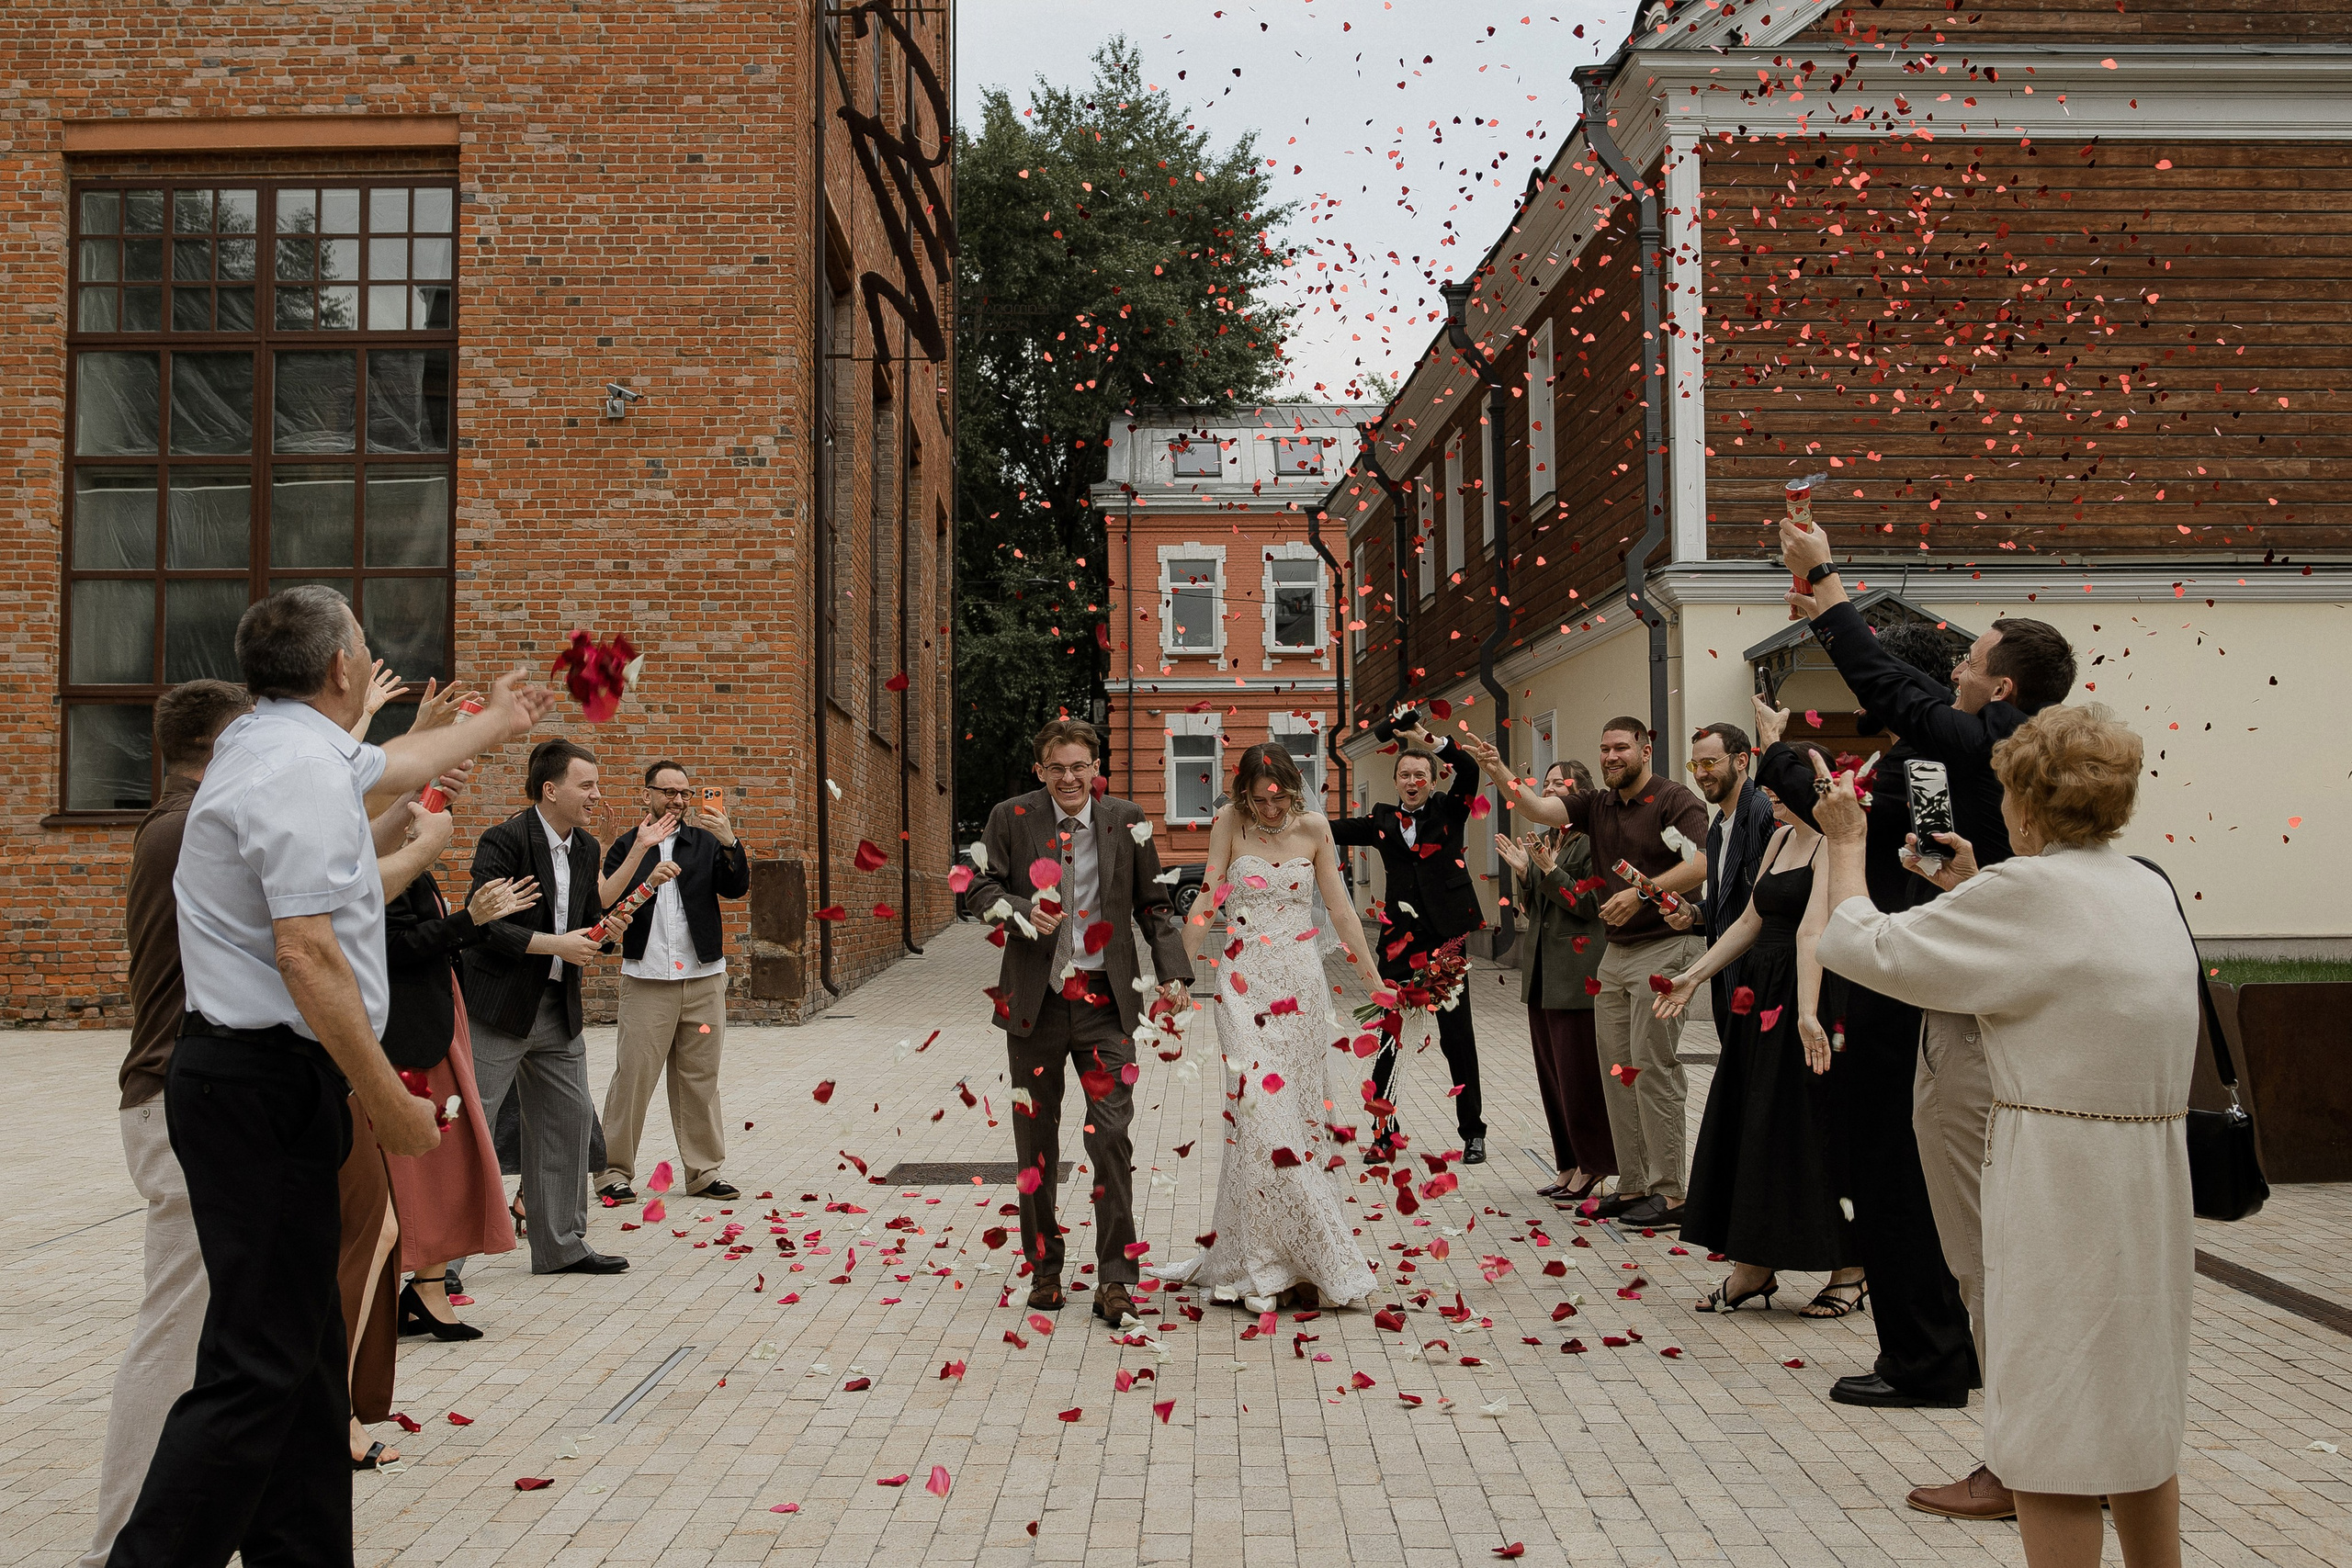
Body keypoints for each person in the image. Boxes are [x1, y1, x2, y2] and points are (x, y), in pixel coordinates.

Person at [107, 586, 550, 1568]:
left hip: (261, 1083)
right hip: (258, 1083)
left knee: (305, 1360)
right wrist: (389, 1103)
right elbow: (306, 956)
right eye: (363, 644)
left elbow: (397, 761)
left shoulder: (279, 746)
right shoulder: (295, 771)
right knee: (254, 1369)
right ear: (344, 669)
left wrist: (497, 721)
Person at [1810, 712, 2193, 1568]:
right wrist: (1971, 889)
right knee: (2136, 1403)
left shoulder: (2028, 894)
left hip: (2061, 1176)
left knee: (2050, 1420)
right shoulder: (2145, 884)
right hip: (2149, 1176)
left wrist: (1844, 841)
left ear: (2025, 800)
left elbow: (1860, 944)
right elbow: (2058, 964)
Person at [1775, 518, 2075, 1518]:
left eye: (1974, 658)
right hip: (1958, 973)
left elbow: (1893, 693)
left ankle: (1929, 1356)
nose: (1956, 667)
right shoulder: (1982, 746)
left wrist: (1821, 586)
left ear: (2002, 692)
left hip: (1939, 993)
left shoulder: (1989, 740)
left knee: (1902, 1166)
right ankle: (1940, 1348)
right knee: (1925, 1179)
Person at [1747, 622, 1983, 1421]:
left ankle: (1925, 1356)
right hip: (1929, 981)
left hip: (1901, 989)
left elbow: (1854, 821)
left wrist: (1775, 748)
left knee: (1893, 1180)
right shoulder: (1958, 750)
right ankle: (1949, 1343)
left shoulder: (1927, 761)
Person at [82, 680, 250, 1568]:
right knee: (177, 1327)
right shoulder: (190, 830)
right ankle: (121, 1540)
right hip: (175, 1102)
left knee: (217, 1329)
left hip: (185, 1099)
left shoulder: (189, 821)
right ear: (222, 745)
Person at [963, 718, 1193, 1329]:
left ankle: (1116, 1278)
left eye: (1079, 766)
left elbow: (1153, 906)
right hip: (1034, 1003)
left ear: (1097, 768)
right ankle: (1045, 1268)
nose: (1069, 777)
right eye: (1056, 767)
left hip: (1105, 1003)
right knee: (1035, 1144)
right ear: (1041, 770)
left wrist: (1174, 973)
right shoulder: (1010, 817)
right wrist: (1016, 907)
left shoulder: (1126, 819)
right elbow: (974, 887)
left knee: (1111, 1135)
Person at [1148, 744, 1386, 1312]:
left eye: (1277, 800)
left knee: (1295, 1123)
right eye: (1259, 801)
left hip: (1300, 987)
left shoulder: (1314, 829)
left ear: (1291, 789)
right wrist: (1176, 976)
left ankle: (1295, 1258)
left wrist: (1375, 981)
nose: (1269, 812)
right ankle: (1266, 1262)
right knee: (1259, 1112)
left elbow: (1342, 910)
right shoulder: (1230, 821)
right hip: (1243, 981)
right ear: (1245, 794)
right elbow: (1209, 896)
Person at [1467, 717, 1709, 1228]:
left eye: (1622, 746)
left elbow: (1702, 863)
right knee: (1617, 1072)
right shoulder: (1596, 804)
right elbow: (1537, 807)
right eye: (1604, 748)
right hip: (1616, 955)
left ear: (1646, 748)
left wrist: (1642, 891)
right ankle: (1633, 1184)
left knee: (1652, 1068)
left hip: (1665, 945)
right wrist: (1498, 769)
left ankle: (1671, 1194)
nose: (1611, 756)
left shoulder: (1675, 799)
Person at [1654, 739, 1865, 1318]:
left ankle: (1849, 1268)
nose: (1767, 802)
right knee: (1755, 1125)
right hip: (1762, 996)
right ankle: (1755, 1263)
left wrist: (1805, 1014)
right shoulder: (1777, 839)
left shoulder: (1832, 844)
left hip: (1812, 991)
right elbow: (1750, 920)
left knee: (1812, 1126)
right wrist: (1693, 977)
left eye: (1774, 792)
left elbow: (1811, 932)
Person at [459, 738, 642, 1277]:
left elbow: (585, 922)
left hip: (558, 1010)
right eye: (586, 785)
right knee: (475, 1128)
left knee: (565, 1124)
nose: (596, 795)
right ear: (549, 789)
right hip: (498, 1008)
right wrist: (556, 944)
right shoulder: (504, 840)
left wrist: (606, 932)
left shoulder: (585, 849)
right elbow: (487, 926)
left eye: (596, 784)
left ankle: (562, 1247)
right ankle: (442, 1265)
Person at [379, 744, 535, 1342]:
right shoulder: (381, 865)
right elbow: (393, 950)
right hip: (407, 1037)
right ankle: (415, 1287)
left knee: (449, 1161)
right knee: (428, 1165)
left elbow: (429, 941)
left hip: (436, 1023)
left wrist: (470, 922)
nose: (438, 806)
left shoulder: (410, 865)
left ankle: (425, 1287)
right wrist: (468, 920)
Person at [1329, 710, 1489, 1163]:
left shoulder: (1450, 809)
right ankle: (1383, 1135)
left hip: (1446, 943)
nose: (1413, 780)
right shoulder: (1381, 820)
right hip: (1399, 945)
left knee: (1458, 1037)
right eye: (1405, 774)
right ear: (1396, 780)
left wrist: (1425, 738)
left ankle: (1473, 1131)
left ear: (1433, 781)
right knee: (1387, 1039)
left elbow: (1470, 768)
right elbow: (1330, 830)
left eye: (1421, 774)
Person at [597, 760, 752, 1203]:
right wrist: (644, 877)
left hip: (704, 979)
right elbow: (606, 905)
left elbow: (736, 887)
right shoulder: (628, 846)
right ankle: (611, 1171)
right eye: (668, 792)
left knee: (700, 1077)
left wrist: (730, 842)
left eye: (684, 793)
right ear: (647, 794)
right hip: (646, 980)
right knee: (633, 1077)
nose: (678, 801)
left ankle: (703, 1171)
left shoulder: (705, 841)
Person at [1492, 760, 1614, 1206]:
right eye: (1543, 785)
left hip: (1576, 974)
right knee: (1553, 1076)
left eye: (1557, 786)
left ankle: (1593, 1164)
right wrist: (1527, 872)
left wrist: (1548, 870)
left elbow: (1586, 904)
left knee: (1578, 1075)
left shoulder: (1591, 839)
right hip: (1543, 972)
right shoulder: (1550, 839)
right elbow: (1534, 908)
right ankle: (1567, 1163)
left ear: (1578, 794)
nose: (1547, 792)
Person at [1687, 721, 1776, 1036]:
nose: (1700, 774)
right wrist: (1693, 913)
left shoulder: (1762, 812)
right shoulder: (1716, 829)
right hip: (1727, 978)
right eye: (1695, 765)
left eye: (1710, 763)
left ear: (1741, 760)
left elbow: (1767, 899)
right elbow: (1728, 898)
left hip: (1762, 980)